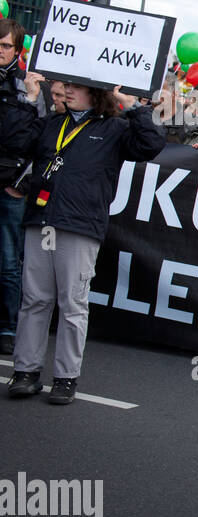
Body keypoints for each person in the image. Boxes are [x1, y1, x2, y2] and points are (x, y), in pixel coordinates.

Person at [1, 82, 165, 403]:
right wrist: (29, 99)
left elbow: (150, 145)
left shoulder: (115, 128)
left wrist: (134, 107)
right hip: (41, 219)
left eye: (77, 87)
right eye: (67, 86)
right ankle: (26, 370)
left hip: (79, 225)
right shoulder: (52, 123)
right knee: (34, 299)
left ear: (97, 93)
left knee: (72, 304)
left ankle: (65, 377)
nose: (67, 91)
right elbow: (15, 141)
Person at [0, 19, 38, 357]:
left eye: (5, 46)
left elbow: (34, 142)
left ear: (18, 49)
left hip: (10, 185)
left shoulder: (27, 86)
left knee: (9, 260)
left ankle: (8, 327)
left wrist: (19, 183)